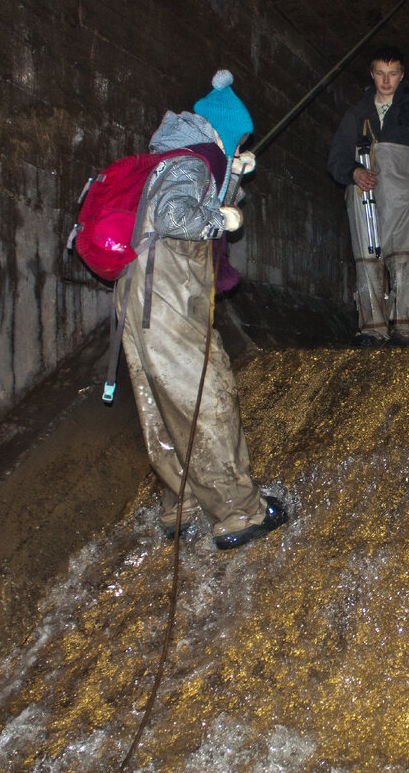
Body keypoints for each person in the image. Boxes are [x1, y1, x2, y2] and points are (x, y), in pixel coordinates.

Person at [117, 70, 287, 550]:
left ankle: (185, 502)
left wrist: (231, 177)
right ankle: (238, 513)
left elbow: (184, 201)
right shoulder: (193, 162)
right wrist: (220, 217)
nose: (238, 148)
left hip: (139, 296)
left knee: (161, 401)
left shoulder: (174, 156)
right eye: (238, 142)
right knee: (205, 395)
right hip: (166, 296)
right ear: (225, 132)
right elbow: (178, 215)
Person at [327, 46, 409, 347]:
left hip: (407, 200)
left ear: (402, 76)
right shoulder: (357, 114)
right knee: (367, 260)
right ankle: (372, 329)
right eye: (380, 73)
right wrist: (354, 172)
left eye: (392, 74)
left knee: (408, 260)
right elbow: (336, 159)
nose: (386, 80)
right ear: (372, 74)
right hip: (364, 198)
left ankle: (408, 331)